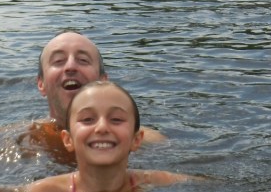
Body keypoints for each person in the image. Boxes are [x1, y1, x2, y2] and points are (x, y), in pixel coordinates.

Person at [12, 81, 192, 192]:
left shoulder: (161, 182)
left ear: (136, 140)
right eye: (88, 119)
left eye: (116, 119)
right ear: (68, 140)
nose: (102, 127)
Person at [21, 30, 165, 162]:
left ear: (103, 81)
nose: (70, 66)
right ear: (41, 84)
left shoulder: (149, 142)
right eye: (58, 61)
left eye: (83, 60)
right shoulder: (20, 140)